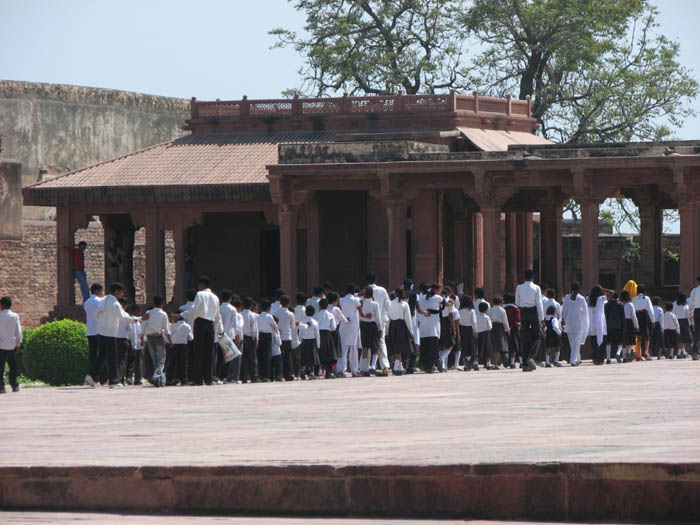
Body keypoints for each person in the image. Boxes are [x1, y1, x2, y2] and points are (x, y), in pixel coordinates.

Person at [88, 282, 138, 388]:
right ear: (115, 292)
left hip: (100, 331)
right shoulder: (115, 304)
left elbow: (97, 314)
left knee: (102, 355)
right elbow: (123, 317)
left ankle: (92, 376)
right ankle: (114, 381)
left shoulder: (104, 300)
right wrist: (137, 319)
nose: (122, 294)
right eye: (121, 292)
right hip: (110, 333)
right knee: (112, 357)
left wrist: (103, 322)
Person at [182, 276, 221, 386]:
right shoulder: (215, 297)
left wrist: (182, 314)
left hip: (200, 322)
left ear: (202, 285)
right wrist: (216, 328)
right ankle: (208, 378)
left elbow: (195, 309)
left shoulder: (200, 294)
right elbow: (218, 315)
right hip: (211, 324)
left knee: (198, 351)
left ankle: (198, 379)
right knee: (209, 352)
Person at [515, 269, 544, 371]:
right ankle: (531, 357)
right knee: (537, 336)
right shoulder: (536, 288)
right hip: (533, 311)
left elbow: (517, 302)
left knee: (525, 337)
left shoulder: (519, 287)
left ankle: (525, 364)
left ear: (524, 276)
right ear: (533, 277)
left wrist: (523, 305)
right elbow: (539, 303)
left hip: (523, 312)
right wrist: (542, 318)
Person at [141, 296, 171, 387]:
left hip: (150, 337)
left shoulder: (148, 313)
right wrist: (170, 340)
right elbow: (166, 329)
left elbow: (144, 324)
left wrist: (142, 336)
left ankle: (160, 381)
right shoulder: (163, 314)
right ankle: (156, 376)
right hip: (158, 337)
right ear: (162, 304)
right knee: (161, 359)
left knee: (155, 359)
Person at [367, 272, 391, 376]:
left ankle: (366, 366)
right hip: (381, 319)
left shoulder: (366, 290)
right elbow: (388, 305)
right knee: (381, 342)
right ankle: (384, 365)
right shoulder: (382, 290)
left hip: (368, 320)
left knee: (366, 343)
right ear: (376, 280)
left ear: (367, 281)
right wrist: (384, 315)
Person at [387, 288, 414, 375]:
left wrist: (387, 329)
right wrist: (411, 332)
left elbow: (388, 318)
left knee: (395, 346)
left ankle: (400, 367)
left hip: (392, 325)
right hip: (401, 326)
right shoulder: (404, 304)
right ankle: (396, 367)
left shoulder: (390, 303)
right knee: (400, 347)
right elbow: (408, 319)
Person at [561, 282, 589, 367]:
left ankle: (575, 359)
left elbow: (564, 310)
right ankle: (574, 360)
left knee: (575, 342)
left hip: (574, 322)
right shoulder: (571, 298)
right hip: (574, 322)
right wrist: (563, 319)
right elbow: (585, 313)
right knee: (573, 342)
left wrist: (563, 319)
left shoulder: (580, 298)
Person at [339, 284, 362, 378]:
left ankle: (341, 370)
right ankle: (354, 370)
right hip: (353, 325)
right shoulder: (356, 300)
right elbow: (360, 310)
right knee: (353, 349)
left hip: (344, 324)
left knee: (343, 349)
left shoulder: (341, 300)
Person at [419, 283, 443, 373]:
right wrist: (451, 301)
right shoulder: (438, 298)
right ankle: (433, 364)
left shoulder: (420, 298)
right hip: (433, 327)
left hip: (423, 326)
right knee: (433, 347)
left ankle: (426, 366)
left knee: (424, 347)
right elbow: (446, 305)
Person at [0, 296, 22, 394]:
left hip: (1, 345)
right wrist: (18, 342)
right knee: (13, 366)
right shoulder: (14, 316)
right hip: (11, 345)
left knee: (1, 367)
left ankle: (1, 387)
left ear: (1, 305)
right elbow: (18, 331)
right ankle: (14, 385)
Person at [83, 283, 105, 381]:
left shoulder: (86, 302)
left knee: (93, 354)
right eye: (101, 291)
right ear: (97, 291)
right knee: (102, 354)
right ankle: (99, 376)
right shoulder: (100, 302)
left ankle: (93, 374)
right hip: (99, 330)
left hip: (90, 330)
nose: (102, 294)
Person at [219, 290, 242, 384]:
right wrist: (238, 336)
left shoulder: (218, 308)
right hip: (229, 336)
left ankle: (219, 376)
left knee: (219, 358)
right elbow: (236, 325)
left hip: (219, 335)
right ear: (230, 298)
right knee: (229, 359)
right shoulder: (232, 309)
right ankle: (227, 377)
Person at [359, 287, 382, 376]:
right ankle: (372, 366)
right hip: (372, 325)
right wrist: (380, 329)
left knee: (365, 347)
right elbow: (378, 317)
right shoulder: (375, 304)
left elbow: (360, 316)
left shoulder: (361, 303)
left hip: (363, 325)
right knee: (375, 347)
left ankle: (365, 369)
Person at [315, 298, 338, 378]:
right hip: (327, 334)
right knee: (329, 353)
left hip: (318, 334)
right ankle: (329, 372)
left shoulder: (316, 315)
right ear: (327, 306)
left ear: (319, 306)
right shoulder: (330, 315)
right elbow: (333, 328)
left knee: (318, 352)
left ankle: (316, 371)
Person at [257, 300, 279, 382]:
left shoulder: (258, 317)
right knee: (267, 356)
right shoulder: (269, 316)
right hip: (267, 336)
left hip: (260, 336)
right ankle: (266, 375)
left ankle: (260, 374)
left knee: (261, 356)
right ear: (268, 308)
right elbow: (275, 326)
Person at [276, 295, 298, 381]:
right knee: (287, 357)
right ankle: (287, 374)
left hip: (279, 337)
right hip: (287, 337)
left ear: (280, 303)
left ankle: (279, 374)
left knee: (279, 356)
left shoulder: (276, 313)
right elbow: (292, 327)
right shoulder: (291, 314)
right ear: (288, 303)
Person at [168, 314, 193, 386]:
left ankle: (169, 379)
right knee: (183, 363)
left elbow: (168, 335)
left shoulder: (172, 326)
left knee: (172, 363)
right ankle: (184, 380)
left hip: (174, 345)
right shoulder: (187, 326)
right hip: (183, 345)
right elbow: (190, 338)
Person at [631, 284, 655, 361]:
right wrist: (653, 320)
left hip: (637, 315)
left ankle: (638, 354)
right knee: (647, 335)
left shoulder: (634, 299)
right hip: (644, 315)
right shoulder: (647, 298)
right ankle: (646, 351)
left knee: (639, 336)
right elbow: (650, 310)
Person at [487, 296, 510, 370]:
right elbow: (505, 321)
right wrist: (508, 330)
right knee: (499, 345)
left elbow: (488, 318)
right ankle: (495, 363)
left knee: (492, 345)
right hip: (500, 327)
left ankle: (491, 362)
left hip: (491, 326)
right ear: (500, 302)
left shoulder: (490, 310)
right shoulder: (502, 310)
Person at [587, 285, 608, 365]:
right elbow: (612, 293)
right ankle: (600, 359)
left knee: (594, 343)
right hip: (600, 324)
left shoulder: (588, 299)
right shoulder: (601, 299)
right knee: (602, 342)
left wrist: (591, 292)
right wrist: (604, 289)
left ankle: (595, 358)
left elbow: (587, 294)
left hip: (592, 324)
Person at [437, 287, 456, 372]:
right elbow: (451, 315)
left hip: (438, 321)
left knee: (442, 344)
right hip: (446, 321)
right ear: (449, 293)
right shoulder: (450, 301)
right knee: (451, 343)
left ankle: (443, 365)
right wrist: (454, 328)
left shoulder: (439, 300)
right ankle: (441, 358)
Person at [299, 305, 320, 379]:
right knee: (312, 358)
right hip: (313, 340)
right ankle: (311, 372)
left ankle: (303, 369)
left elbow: (300, 333)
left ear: (305, 312)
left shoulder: (302, 321)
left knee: (304, 357)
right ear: (314, 313)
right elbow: (317, 334)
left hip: (304, 341)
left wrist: (300, 341)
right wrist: (318, 344)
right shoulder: (315, 323)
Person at [604, 293, 625, 364]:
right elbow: (623, 316)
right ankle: (618, 353)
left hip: (608, 325)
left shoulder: (607, 304)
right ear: (617, 297)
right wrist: (624, 326)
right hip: (618, 326)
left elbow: (605, 315)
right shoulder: (620, 305)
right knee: (620, 341)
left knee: (608, 342)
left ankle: (608, 358)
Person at [458, 295, 477, 371]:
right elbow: (474, 322)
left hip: (462, 329)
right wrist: (476, 331)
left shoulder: (459, 311)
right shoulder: (471, 311)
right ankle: (469, 362)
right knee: (471, 346)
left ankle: (465, 363)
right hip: (469, 329)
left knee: (464, 346)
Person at [125, 304, 143, 385]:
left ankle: (137, 379)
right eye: (138, 311)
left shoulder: (138, 322)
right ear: (135, 311)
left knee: (137, 362)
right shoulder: (130, 320)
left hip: (137, 344)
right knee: (131, 362)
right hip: (132, 344)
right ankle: (129, 377)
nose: (140, 313)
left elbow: (139, 333)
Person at [503, 292, 522, 369]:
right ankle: (514, 362)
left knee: (507, 346)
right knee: (516, 346)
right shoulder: (515, 308)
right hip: (514, 328)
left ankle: (508, 360)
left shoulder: (503, 308)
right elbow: (517, 319)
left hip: (504, 329)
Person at [620, 290, 639, 363]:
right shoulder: (630, 305)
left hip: (622, 323)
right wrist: (636, 326)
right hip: (629, 322)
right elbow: (634, 316)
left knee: (624, 341)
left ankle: (624, 357)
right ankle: (629, 351)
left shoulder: (620, 304)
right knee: (631, 339)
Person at [673, 293, 692, 359]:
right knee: (684, 337)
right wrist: (690, 323)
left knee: (680, 337)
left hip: (677, 321)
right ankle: (680, 352)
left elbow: (674, 314)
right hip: (685, 322)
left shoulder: (674, 305)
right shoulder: (686, 306)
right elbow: (688, 315)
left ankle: (682, 352)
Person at [474, 302, 492, 372]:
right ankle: (488, 363)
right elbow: (490, 327)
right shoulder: (487, 317)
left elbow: (474, 324)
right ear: (487, 309)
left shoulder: (476, 316)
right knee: (487, 348)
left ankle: (476, 363)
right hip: (485, 334)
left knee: (477, 348)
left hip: (477, 334)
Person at [689, 276, 700, 357]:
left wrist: (690, 314)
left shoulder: (694, 290)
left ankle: (695, 352)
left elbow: (691, 304)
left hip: (697, 311)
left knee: (697, 332)